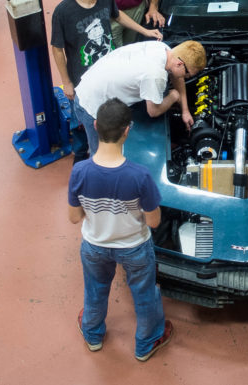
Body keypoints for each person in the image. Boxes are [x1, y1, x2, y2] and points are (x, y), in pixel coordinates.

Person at [68, 98, 172, 361]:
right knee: (145, 293)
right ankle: (147, 342)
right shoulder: (140, 176)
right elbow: (154, 222)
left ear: (95, 126)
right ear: (127, 130)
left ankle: (92, 334)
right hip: (133, 247)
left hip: (94, 245)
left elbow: (73, 217)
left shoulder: (79, 171)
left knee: (95, 289)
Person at [51, 0, 162, 162]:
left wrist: (145, 31)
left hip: (109, 72)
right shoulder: (63, 12)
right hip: (81, 78)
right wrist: (67, 82)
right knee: (80, 119)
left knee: (107, 116)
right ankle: (80, 152)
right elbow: (57, 50)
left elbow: (118, 16)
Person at [74, 39, 206, 155]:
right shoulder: (155, 74)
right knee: (102, 156)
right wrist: (173, 96)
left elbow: (177, 76)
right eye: (187, 74)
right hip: (91, 105)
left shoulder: (163, 49)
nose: (186, 78)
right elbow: (153, 111)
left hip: (92, 83)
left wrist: (185, 110)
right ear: (179, 63)